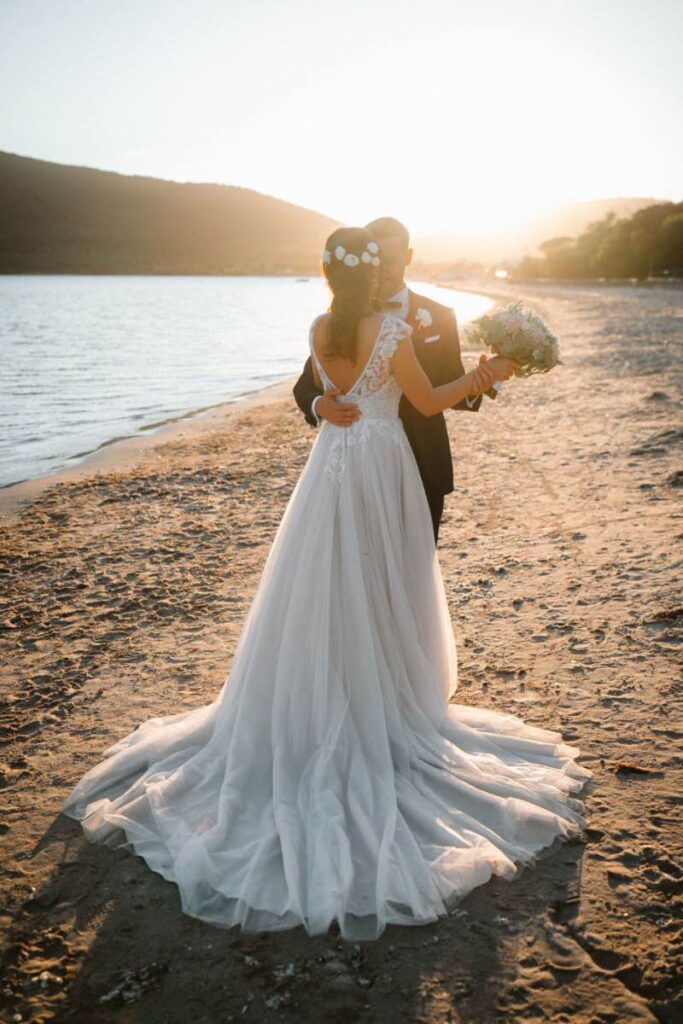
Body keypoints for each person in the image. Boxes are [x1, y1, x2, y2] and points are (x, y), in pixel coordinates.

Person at [62, 226, 591, 942]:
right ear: (377, 271)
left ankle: (326, 692)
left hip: (330, 470)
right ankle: (377, 699)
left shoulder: (319, 326)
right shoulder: (393, 327)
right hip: (379, 468)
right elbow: (426, 404)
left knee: (321, 582)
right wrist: (488, 372)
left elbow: (328, 388)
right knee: (379, 583)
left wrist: (325, 405)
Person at [293, 216, 499, 543]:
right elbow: (306, 384)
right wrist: (320, 406)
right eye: (379, 260)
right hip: (356, 465)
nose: (385, 269)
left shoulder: (441, 315)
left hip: (422, 462)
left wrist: (486, 380)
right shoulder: (339, 321)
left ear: (408, 257)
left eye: (391, 259)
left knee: (415, 567)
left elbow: (452, 384)